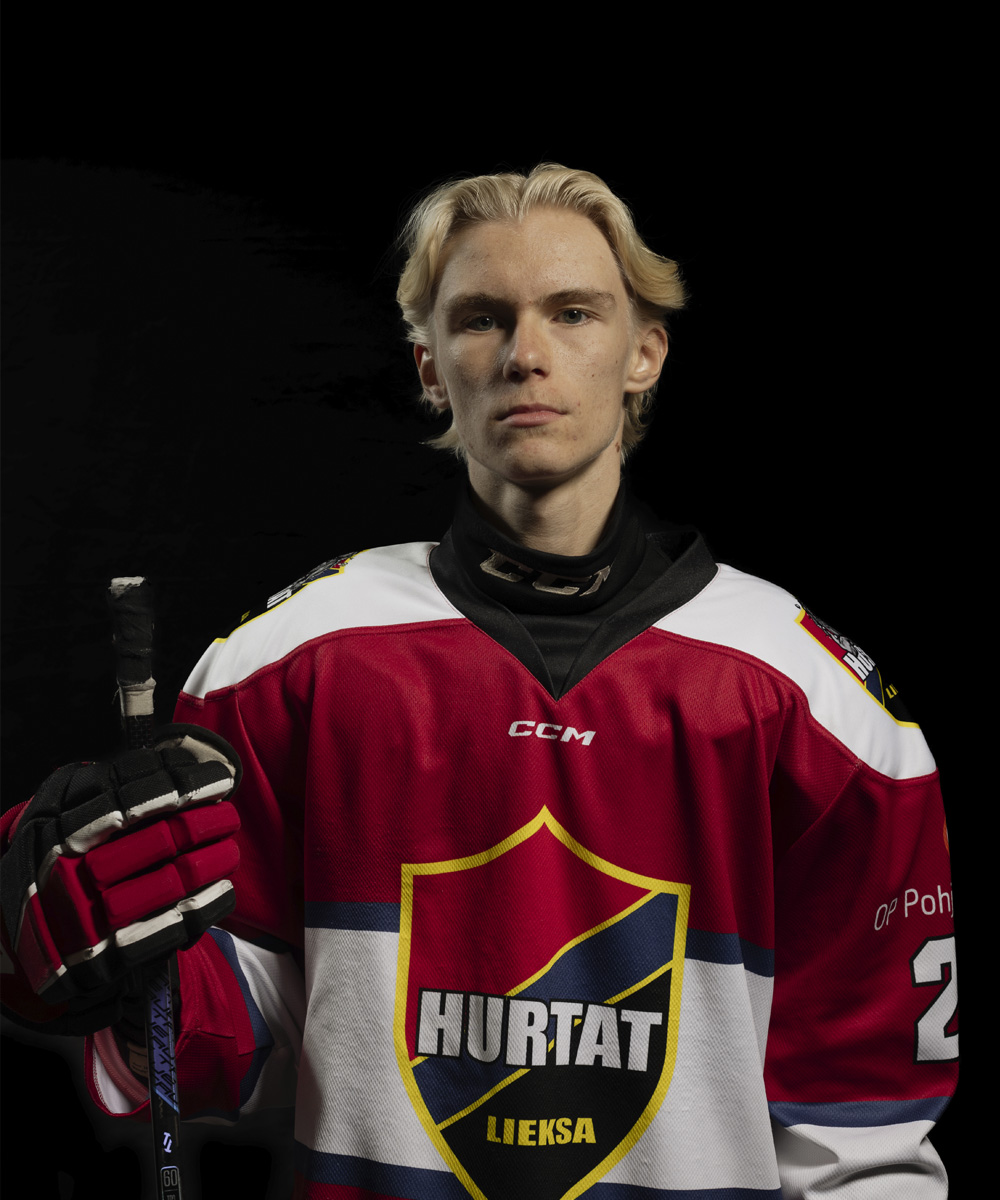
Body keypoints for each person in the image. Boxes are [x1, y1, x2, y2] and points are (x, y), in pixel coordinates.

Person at [1, 164, 958, 1199]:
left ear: (644, 353)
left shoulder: (814, 698)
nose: (525, 354)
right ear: (429, 365)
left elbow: (864, 1134)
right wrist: (86, 970)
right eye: (481, 318)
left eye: (573, 312)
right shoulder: (290, 660)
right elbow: (244, 1034)